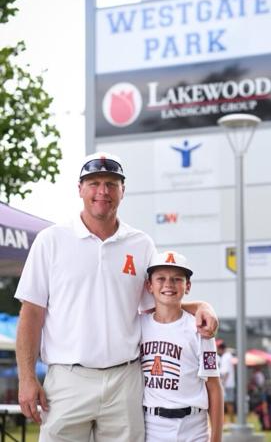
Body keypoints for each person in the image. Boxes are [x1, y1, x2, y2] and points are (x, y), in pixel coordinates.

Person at [14, 151, 219, 442]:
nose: (102, 191)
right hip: (68, 378)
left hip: (125, 380)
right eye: (94, 183)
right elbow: (31, 313)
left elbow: (158, 304)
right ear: (80, 189)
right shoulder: (52, 240)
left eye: (111, 184)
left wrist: (201, 305)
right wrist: (26, 377)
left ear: (123, 190)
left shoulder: (141, 243)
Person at [140, 250, 223, 442]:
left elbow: (214, 387)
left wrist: (217, 438)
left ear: (188, 286)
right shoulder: (139, 325)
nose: (168, 284)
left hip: (193, 427)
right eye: (161, 278)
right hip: (151, 426)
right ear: (149, 285)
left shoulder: (200, 329)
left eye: (177, 279)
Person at [216, 339, 235, 424]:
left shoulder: (226, 357)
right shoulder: (227, 356)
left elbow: (225, 372)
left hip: (227, 384)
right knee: (227, 403)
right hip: (228, 383)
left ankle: (229, 421)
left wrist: (222, 383)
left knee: (227, 403)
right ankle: (229, 421)